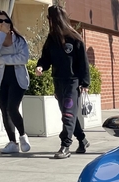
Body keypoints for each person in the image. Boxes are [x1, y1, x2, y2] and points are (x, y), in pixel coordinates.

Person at [35, 5, 90, 159]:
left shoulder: (75, 38)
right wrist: (40, 67)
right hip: (58, 81)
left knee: (67, 114)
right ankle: (83, 140)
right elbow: (46, 57)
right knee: (68, 114)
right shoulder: (51, 39)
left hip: (72, 82)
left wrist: (84, 83)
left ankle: (65, 145)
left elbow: (83, 62)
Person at [0, 10, 31, 154]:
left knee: (12, 108)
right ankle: (12, 142)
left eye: (6, 20)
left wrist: (2, 60)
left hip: (17, 78)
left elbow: (23, 58)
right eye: (0, 21)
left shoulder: (19, 39)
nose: (3, 23)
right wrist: (2, 34)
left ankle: (23, 136)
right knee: (4, 111)